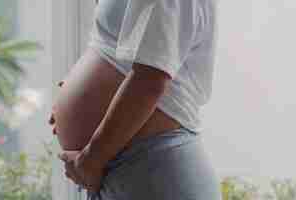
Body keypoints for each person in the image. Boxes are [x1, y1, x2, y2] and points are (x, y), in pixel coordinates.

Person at [49, 0, 221, 199]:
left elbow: (150, 80)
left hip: (154, 172)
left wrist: (90, 161)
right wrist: (76, 90)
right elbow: (114, 48)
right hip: (128, 170)